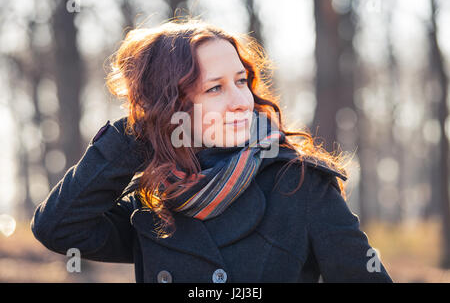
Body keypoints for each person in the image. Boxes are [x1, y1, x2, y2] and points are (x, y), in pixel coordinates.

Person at [31, 17, 393, 283]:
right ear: (171, 107)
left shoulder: (300, 184)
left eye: (241, 81)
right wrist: (137, 131)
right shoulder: (155, 202)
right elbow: (58, 228)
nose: (241, 101)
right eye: (214, 89)